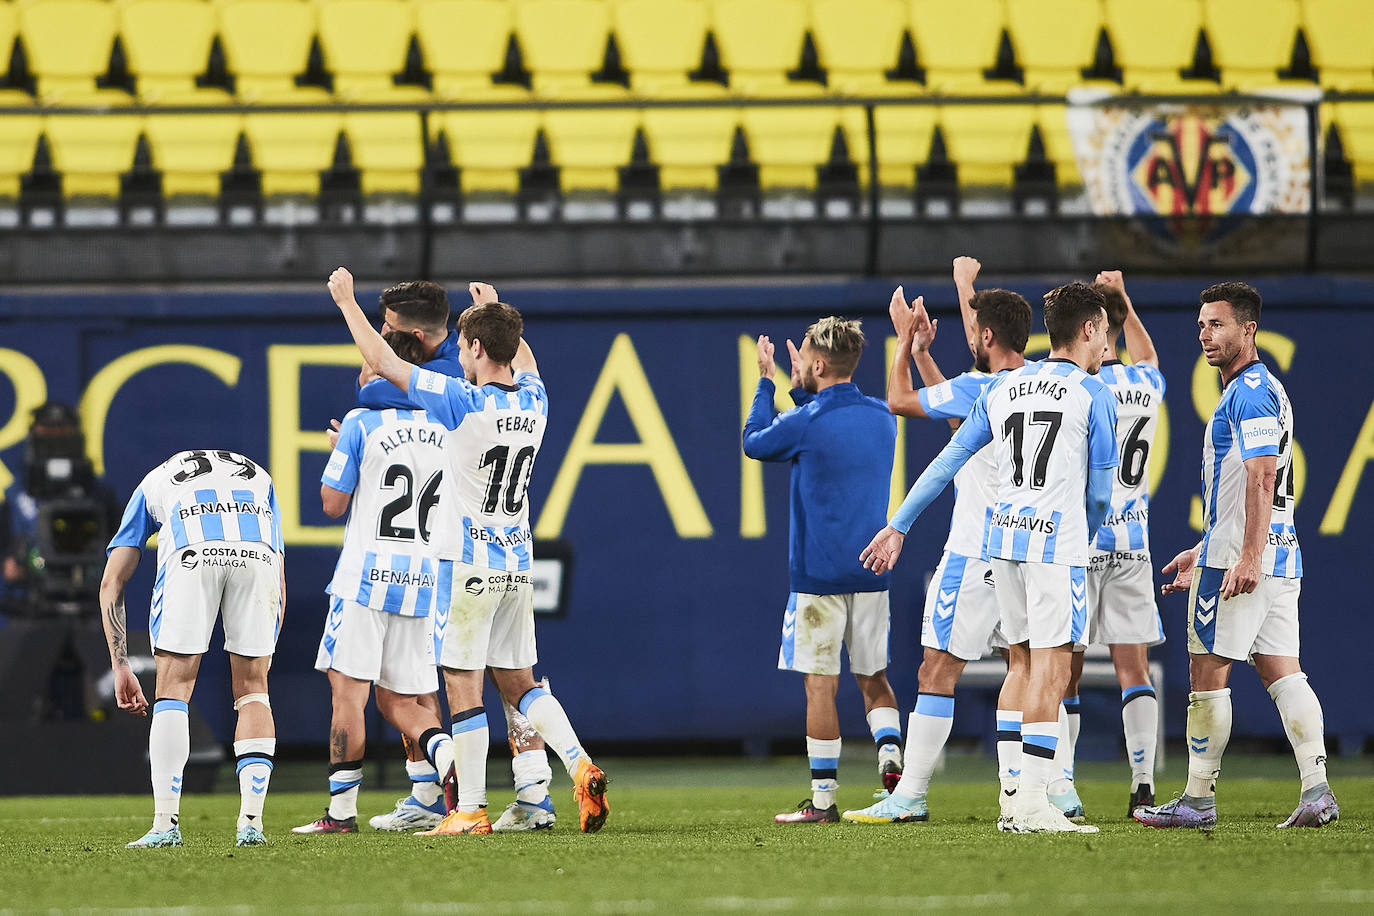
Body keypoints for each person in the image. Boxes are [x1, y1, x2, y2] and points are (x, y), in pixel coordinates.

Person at [329, 266, 610, 836]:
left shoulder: (462, 401)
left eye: (463, 343)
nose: (457, 353)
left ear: (477, 347)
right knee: (522, 685)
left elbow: (384, 363)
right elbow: (523, 360)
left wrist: (345, 303)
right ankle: (579, 764)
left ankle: (470, 809)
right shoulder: (535, 400)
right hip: (516, 561)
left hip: (464, 563)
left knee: (461, 684)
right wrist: (499, 309)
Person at [861, 281, 1117, 835]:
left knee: (1021, 664)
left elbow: (949, 458)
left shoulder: (1001, 389)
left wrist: (897, 524)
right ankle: (1032, 800)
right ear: (1089, 330)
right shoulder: (1095, 393)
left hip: (1001, 542)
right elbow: (1101, 492)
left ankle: (1018, 799)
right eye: (1104, 333)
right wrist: (1086, 533)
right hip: (1056, 546)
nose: (1106, 345)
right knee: (1051, 669)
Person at [1135, 282, 1338, 830]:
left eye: (1218, 324)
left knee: (1206, 672)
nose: (1205, 334)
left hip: (1241, 561)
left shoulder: (1248, 392)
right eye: (1201, 325)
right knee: (1285, 674)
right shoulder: (1265, 389)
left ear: (1249, 329)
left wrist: (1241, 556)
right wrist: (1202, 547)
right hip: (1280, 555)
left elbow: (1262, 474)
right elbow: (1249, 487)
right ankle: (1317, 789)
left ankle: (1198, 799)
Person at [844, 257, 1034, 825]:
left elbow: (903, 402)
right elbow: (963, 424)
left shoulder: (981, 384)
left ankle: (912, 794)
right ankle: (1039, 791)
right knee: (1029, 666)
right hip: (1028, 547)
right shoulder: (1033, 384)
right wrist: (940, 332)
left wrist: (905, 344)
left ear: (986, 335)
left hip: (976, 547)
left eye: (975, 330)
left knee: (936, 671)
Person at [292, 331, 459, 836]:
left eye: (368, 365)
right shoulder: (449, 424)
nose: (361, 372)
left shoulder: (361, 423)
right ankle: (442, 758)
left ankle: (341, 814)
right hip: (423, 577)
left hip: (365, 579)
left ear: (385, 369)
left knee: (349, 695)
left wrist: (343, 449)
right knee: (404, 698)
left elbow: (331, 502)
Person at [742, 317, 902, 824]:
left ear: (816, 363)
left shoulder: (806, 422)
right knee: (874, 677)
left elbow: (756, 441)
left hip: (819, 579)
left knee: (820, 686)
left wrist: (768, 382)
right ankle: (892, 761)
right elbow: (824, 423)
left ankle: (824, 801)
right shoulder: (882, 416)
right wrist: (800, 388)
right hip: (873, 574)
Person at [100, 448, 285, 848]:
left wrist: (120, 664)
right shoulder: (259, 476)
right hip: (256, 555)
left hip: (193, 553)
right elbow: (278, 571)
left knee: (175, 688)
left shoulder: (155, 479)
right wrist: (265, 650)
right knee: (254, 689)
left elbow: (111, 582)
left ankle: (165, 825)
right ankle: (251, 824)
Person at [1051, 271, 1167, 819]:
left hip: (1080, 540)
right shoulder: (1144, 385)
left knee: (1064, 669)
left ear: (1095, 332)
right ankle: (1142, 787)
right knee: (1133, 668)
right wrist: (1125, 297)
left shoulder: (1083, 388)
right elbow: (1151, 356)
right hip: (1132, 540)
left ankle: (1065, 786)